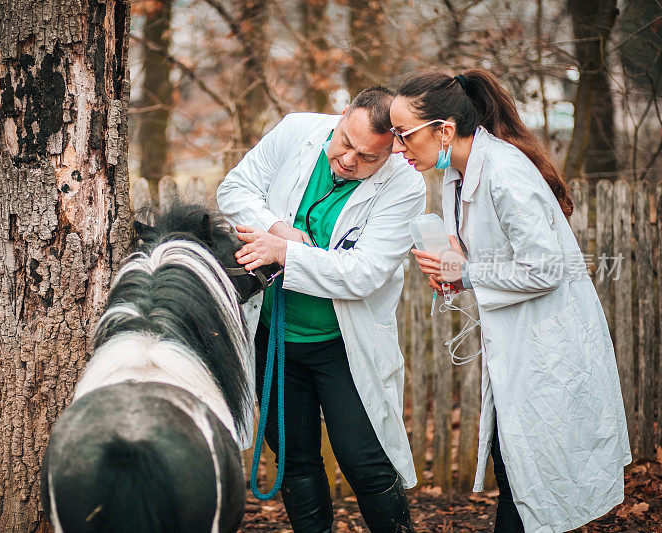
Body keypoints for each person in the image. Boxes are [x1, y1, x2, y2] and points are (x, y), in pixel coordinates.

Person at [391, 69, 631, 532]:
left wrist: (468, 272)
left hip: (549, 349)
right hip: (516, 351)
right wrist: (457, 269)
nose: (398, 148)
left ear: (443, 129)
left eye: (404, 135)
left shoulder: (505, 172)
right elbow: (490, 260)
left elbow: (544, 268)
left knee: (530, 482)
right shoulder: (455, 176)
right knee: (517, 473)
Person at [217, 86, 426, 533]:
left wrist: (285, 254)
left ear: (393, 151)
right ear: (342, 113)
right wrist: (281, 233)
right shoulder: (297, 131)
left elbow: (363, 273)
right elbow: (235, 188)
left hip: (343, 348)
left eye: (368, 157)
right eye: (346, 142)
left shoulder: (405, 186)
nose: (349, 160)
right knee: (294, 461)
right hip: (274, 337)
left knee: (366, 462)